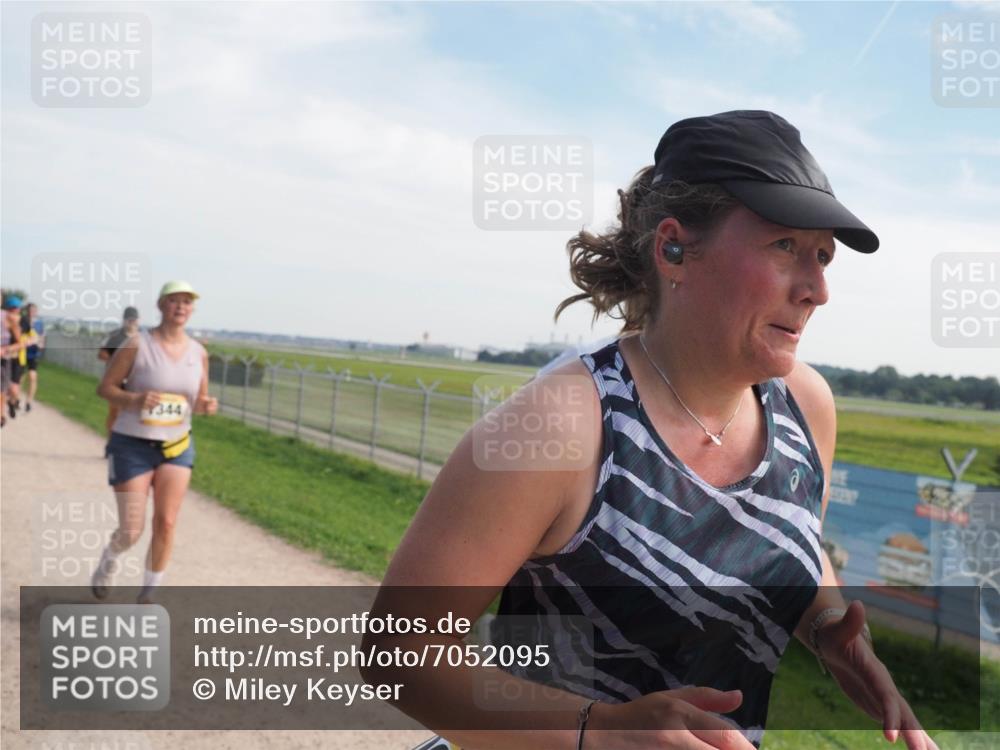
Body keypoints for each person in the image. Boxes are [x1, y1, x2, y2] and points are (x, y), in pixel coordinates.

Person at [362, 112, 939, 750]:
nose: (817, 289)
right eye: (785, 247)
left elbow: (790, 542)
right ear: (673, 249)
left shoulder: (806, 407)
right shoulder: (563, 424)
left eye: (823, 256)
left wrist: (832, 632)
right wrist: (600, 732)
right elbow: (397, 656)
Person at [93, 282, 217, 604]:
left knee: (166, 521)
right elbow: (105, 388)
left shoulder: (199, 353)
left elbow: (197, 400)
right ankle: (110, 558)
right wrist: (135, 399)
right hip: (132, 444)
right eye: (174, 301)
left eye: (187, 302)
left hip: (177, 446)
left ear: (192, 309)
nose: (181, 307)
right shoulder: (137, 344)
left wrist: (205, 405)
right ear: (161, 305)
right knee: (131, 530)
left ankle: (148, 593)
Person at [98, 306, 141, 443]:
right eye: (129, 319)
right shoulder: (114, 336)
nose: (132, 322)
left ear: (138, 321)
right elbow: (102, 354)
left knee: (134, 414)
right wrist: (118, 361)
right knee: (115, 412)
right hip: (116, 381)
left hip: (136, 381)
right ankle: (111, 441)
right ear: (124, 320)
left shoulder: (143, 338)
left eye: (134, 319)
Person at [1, 295, 27, 428]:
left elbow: (21, 343)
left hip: (5, 362)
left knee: (5, 389)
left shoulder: (10, 319)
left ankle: (4, 412)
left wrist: (5, 350)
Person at [21, 302, 45, 412]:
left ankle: (29, 402)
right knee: (20, 377)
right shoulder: (22, 321)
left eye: (34, 310)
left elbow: (42, 337)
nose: (32, 312)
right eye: (30, 310)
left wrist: (41, 344)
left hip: (33, 354)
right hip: (22, 353)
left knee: (32, 376)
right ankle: (16, 399)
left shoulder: (39, 323)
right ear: (26, 311)